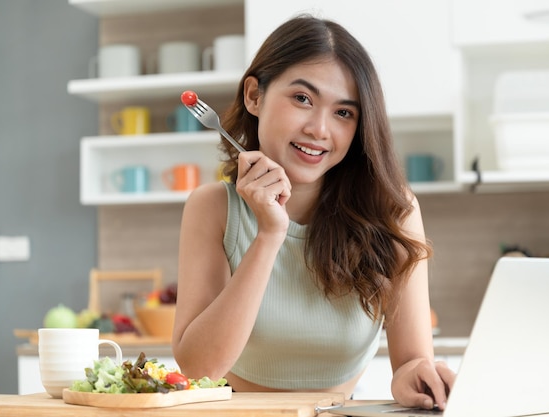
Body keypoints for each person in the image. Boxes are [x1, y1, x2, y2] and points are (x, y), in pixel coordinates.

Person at [172, 15, 455, 410]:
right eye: (303, 99)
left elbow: (410, 362)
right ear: (254, 95)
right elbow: (199, 368)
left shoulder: (394, 210)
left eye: (344, 113)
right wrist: (270, 234)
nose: (320, 130)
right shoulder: (213, 208)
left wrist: (420, 378)